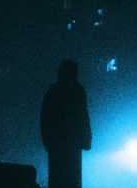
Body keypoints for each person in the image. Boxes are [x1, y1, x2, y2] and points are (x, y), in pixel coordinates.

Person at [40, 59, 92, 188]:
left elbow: (45, 118)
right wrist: (86, 139)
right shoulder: (78, 90)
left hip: (57, 144)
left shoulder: (53, 90)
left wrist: (47, 142)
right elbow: (83, 116)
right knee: (72, 178)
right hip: (72, 144)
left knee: (57, 178)